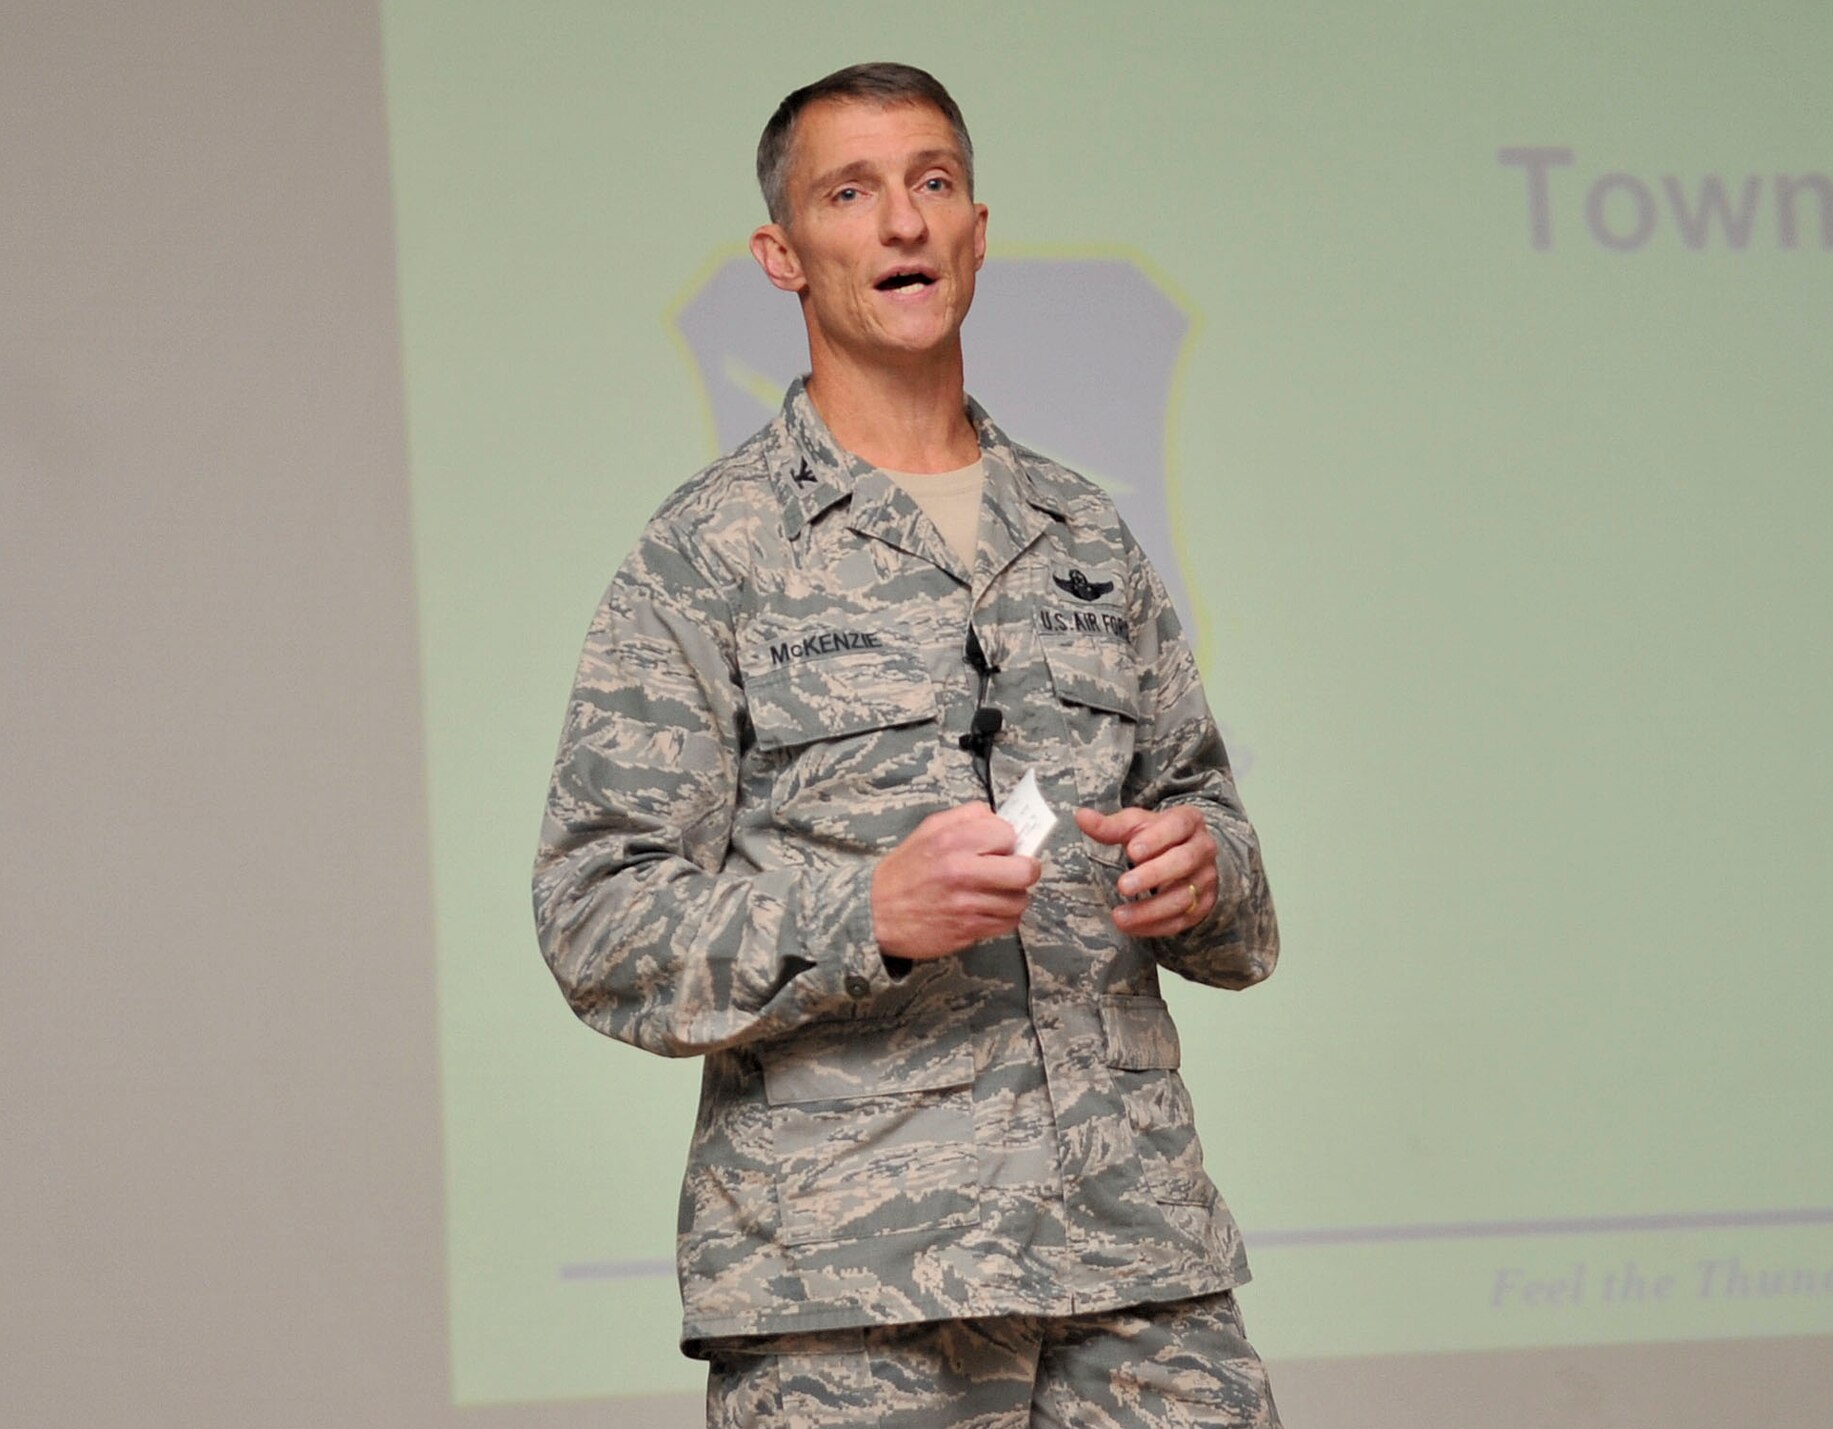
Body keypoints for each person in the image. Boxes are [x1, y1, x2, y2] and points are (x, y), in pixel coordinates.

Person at [535, 61, 1282, 1428]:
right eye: (852, 192)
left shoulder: (1086, 539)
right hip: (851, 1297)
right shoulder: (709, 557)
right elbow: (598, 920)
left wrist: (1204, 872)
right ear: (783, 255)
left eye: (934, 184)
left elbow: (1228, 869)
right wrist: (863, 910)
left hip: (1139, 1280)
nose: (902, 223)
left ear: (980, 233)